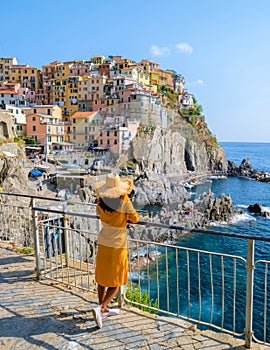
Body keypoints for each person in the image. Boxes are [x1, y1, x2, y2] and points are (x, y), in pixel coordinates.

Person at [91, 173, 139, 329]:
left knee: (103, 277)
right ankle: (101, 307)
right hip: (117, 244)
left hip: (104, 241)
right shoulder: (124, 201)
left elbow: (101, 215)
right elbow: (135, 218)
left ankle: (103, 308)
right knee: (117, 280)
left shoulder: (100, 202)